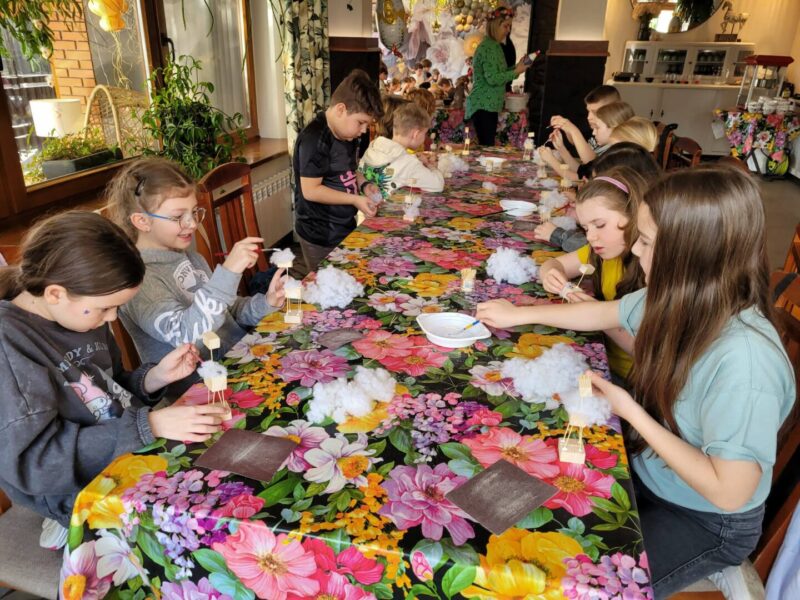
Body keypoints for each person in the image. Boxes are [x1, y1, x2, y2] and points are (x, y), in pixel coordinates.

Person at [477, 165, 795, 598]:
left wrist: (631, 412)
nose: (636, 250)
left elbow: (729, 491)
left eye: (645, 241)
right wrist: (519, 314)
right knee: (514, 498)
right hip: (652, 470)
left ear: (688, 251)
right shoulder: (684, 296)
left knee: (572, 585)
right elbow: (600, 313)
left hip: (706, 519)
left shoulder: (746, 362)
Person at [0, 211, 227, 535]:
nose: (113, 318)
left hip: (130, 447)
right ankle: (72, 538)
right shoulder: (9, 344)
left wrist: (155, 377)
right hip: (79, 493)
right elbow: (36, 465)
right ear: (55, 294)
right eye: (105, 307)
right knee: (211, 526)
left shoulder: (79, 314)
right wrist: (149, 424)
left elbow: (109, 390)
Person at [106, 158, 285, 390]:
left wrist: (266, 302)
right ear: (142, 221)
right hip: (201, 391)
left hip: (239, 360)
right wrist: (228, 273)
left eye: (193, 212)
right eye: (178, 216)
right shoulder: (139, 281)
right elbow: (187, 335)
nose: (191, 223)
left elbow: (226, 312)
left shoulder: (190, 257)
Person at [539, 167, 646, 380]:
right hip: (598, 357)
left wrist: (597, 315)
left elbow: (647, 353)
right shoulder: (602, 251)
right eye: (586, 228)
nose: (591, 237)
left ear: (634, 215)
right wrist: (551, 273)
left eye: (600, 225)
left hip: (629, 379)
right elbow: (553, 263)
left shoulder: (650, 267)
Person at [292, 69, 384, 271]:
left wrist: (364, 185)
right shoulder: (315, 139)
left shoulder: (347, 134)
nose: (363, 131)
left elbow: (349, 170)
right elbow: (311, 191)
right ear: (341, 109)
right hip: (320, 234)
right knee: (326, 283)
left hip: (343, 225)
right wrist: (354, 200)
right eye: (361, 123)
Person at [536, 142, 660, 253]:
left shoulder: (647, 234)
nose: (590, 237)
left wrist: (560, 236)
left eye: (600, 224)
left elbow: (595, 250)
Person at [465, 5, 533, 146]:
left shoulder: (494, 45)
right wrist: (516, 71)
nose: (508, 30)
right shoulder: (489, 47)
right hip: (483, 105)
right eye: (505, 26)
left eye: (510, 27)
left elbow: (499, 73)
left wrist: (518, 67)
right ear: (495, 26)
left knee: (486, 146)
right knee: (486, 147)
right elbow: (493, 79)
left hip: (487, 105)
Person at [360, 102, 444, 195]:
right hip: (385, 203)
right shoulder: (409, 163)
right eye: (424, 133)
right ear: (416, 134)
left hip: (362, 201)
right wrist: (430, 165)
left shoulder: (374, 144)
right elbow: (438, 185)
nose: (425, 137)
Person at [541, 101, 635, 180]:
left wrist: (551, 160)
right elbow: (582, 170)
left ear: (614, 128)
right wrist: (561, 148)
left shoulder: (616, 158)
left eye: (597, 128)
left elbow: (579, 178)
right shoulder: (612, 151)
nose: (593, 133)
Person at [549, 84, 622, 164]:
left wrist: (573, 130)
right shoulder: (597, 131)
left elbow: (590, 164)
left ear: (612, 110)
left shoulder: (616, 141)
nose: (589, 117)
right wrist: (566, 128)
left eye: (594, 112)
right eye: (588, 111)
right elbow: (578, 144)